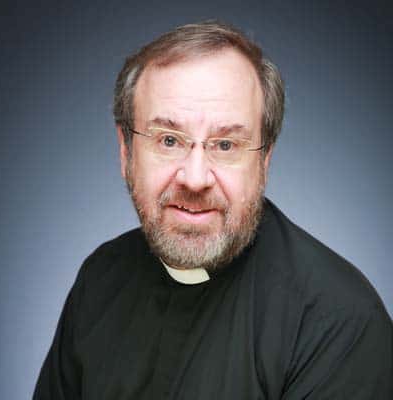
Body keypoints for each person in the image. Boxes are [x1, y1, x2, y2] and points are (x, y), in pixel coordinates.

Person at [33, 21, 392, 399]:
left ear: (265, 160)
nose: (195, 177)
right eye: (169, 140)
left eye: (225, 145)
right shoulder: (100, 278)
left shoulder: (338, 322)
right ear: (126, 152)